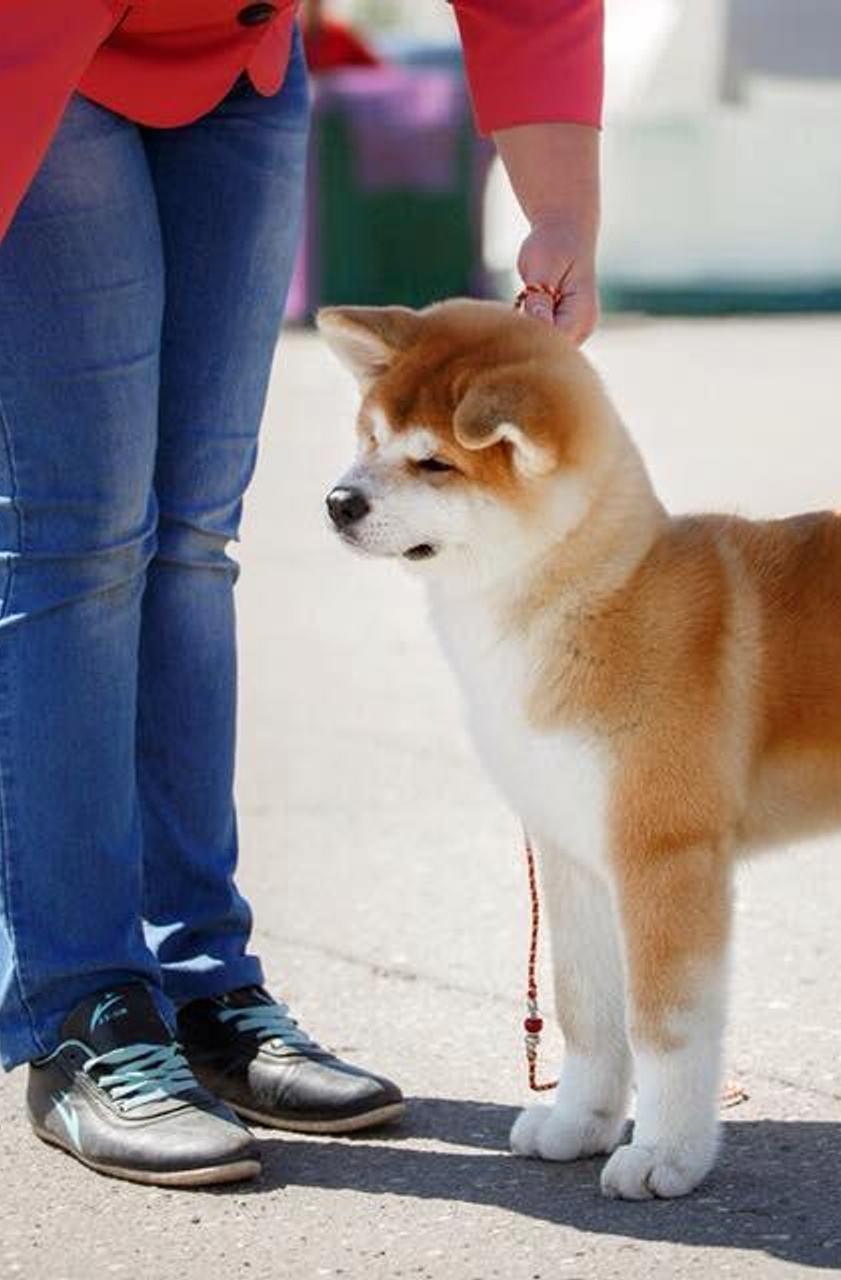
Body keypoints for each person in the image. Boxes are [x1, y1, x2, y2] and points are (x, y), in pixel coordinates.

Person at [0, 0, 602, 1188]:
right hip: (35, 43)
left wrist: (560, 212)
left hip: (234, 56)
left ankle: (200, 981)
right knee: (80, 537)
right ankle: (82, 1006)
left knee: (191, 535)